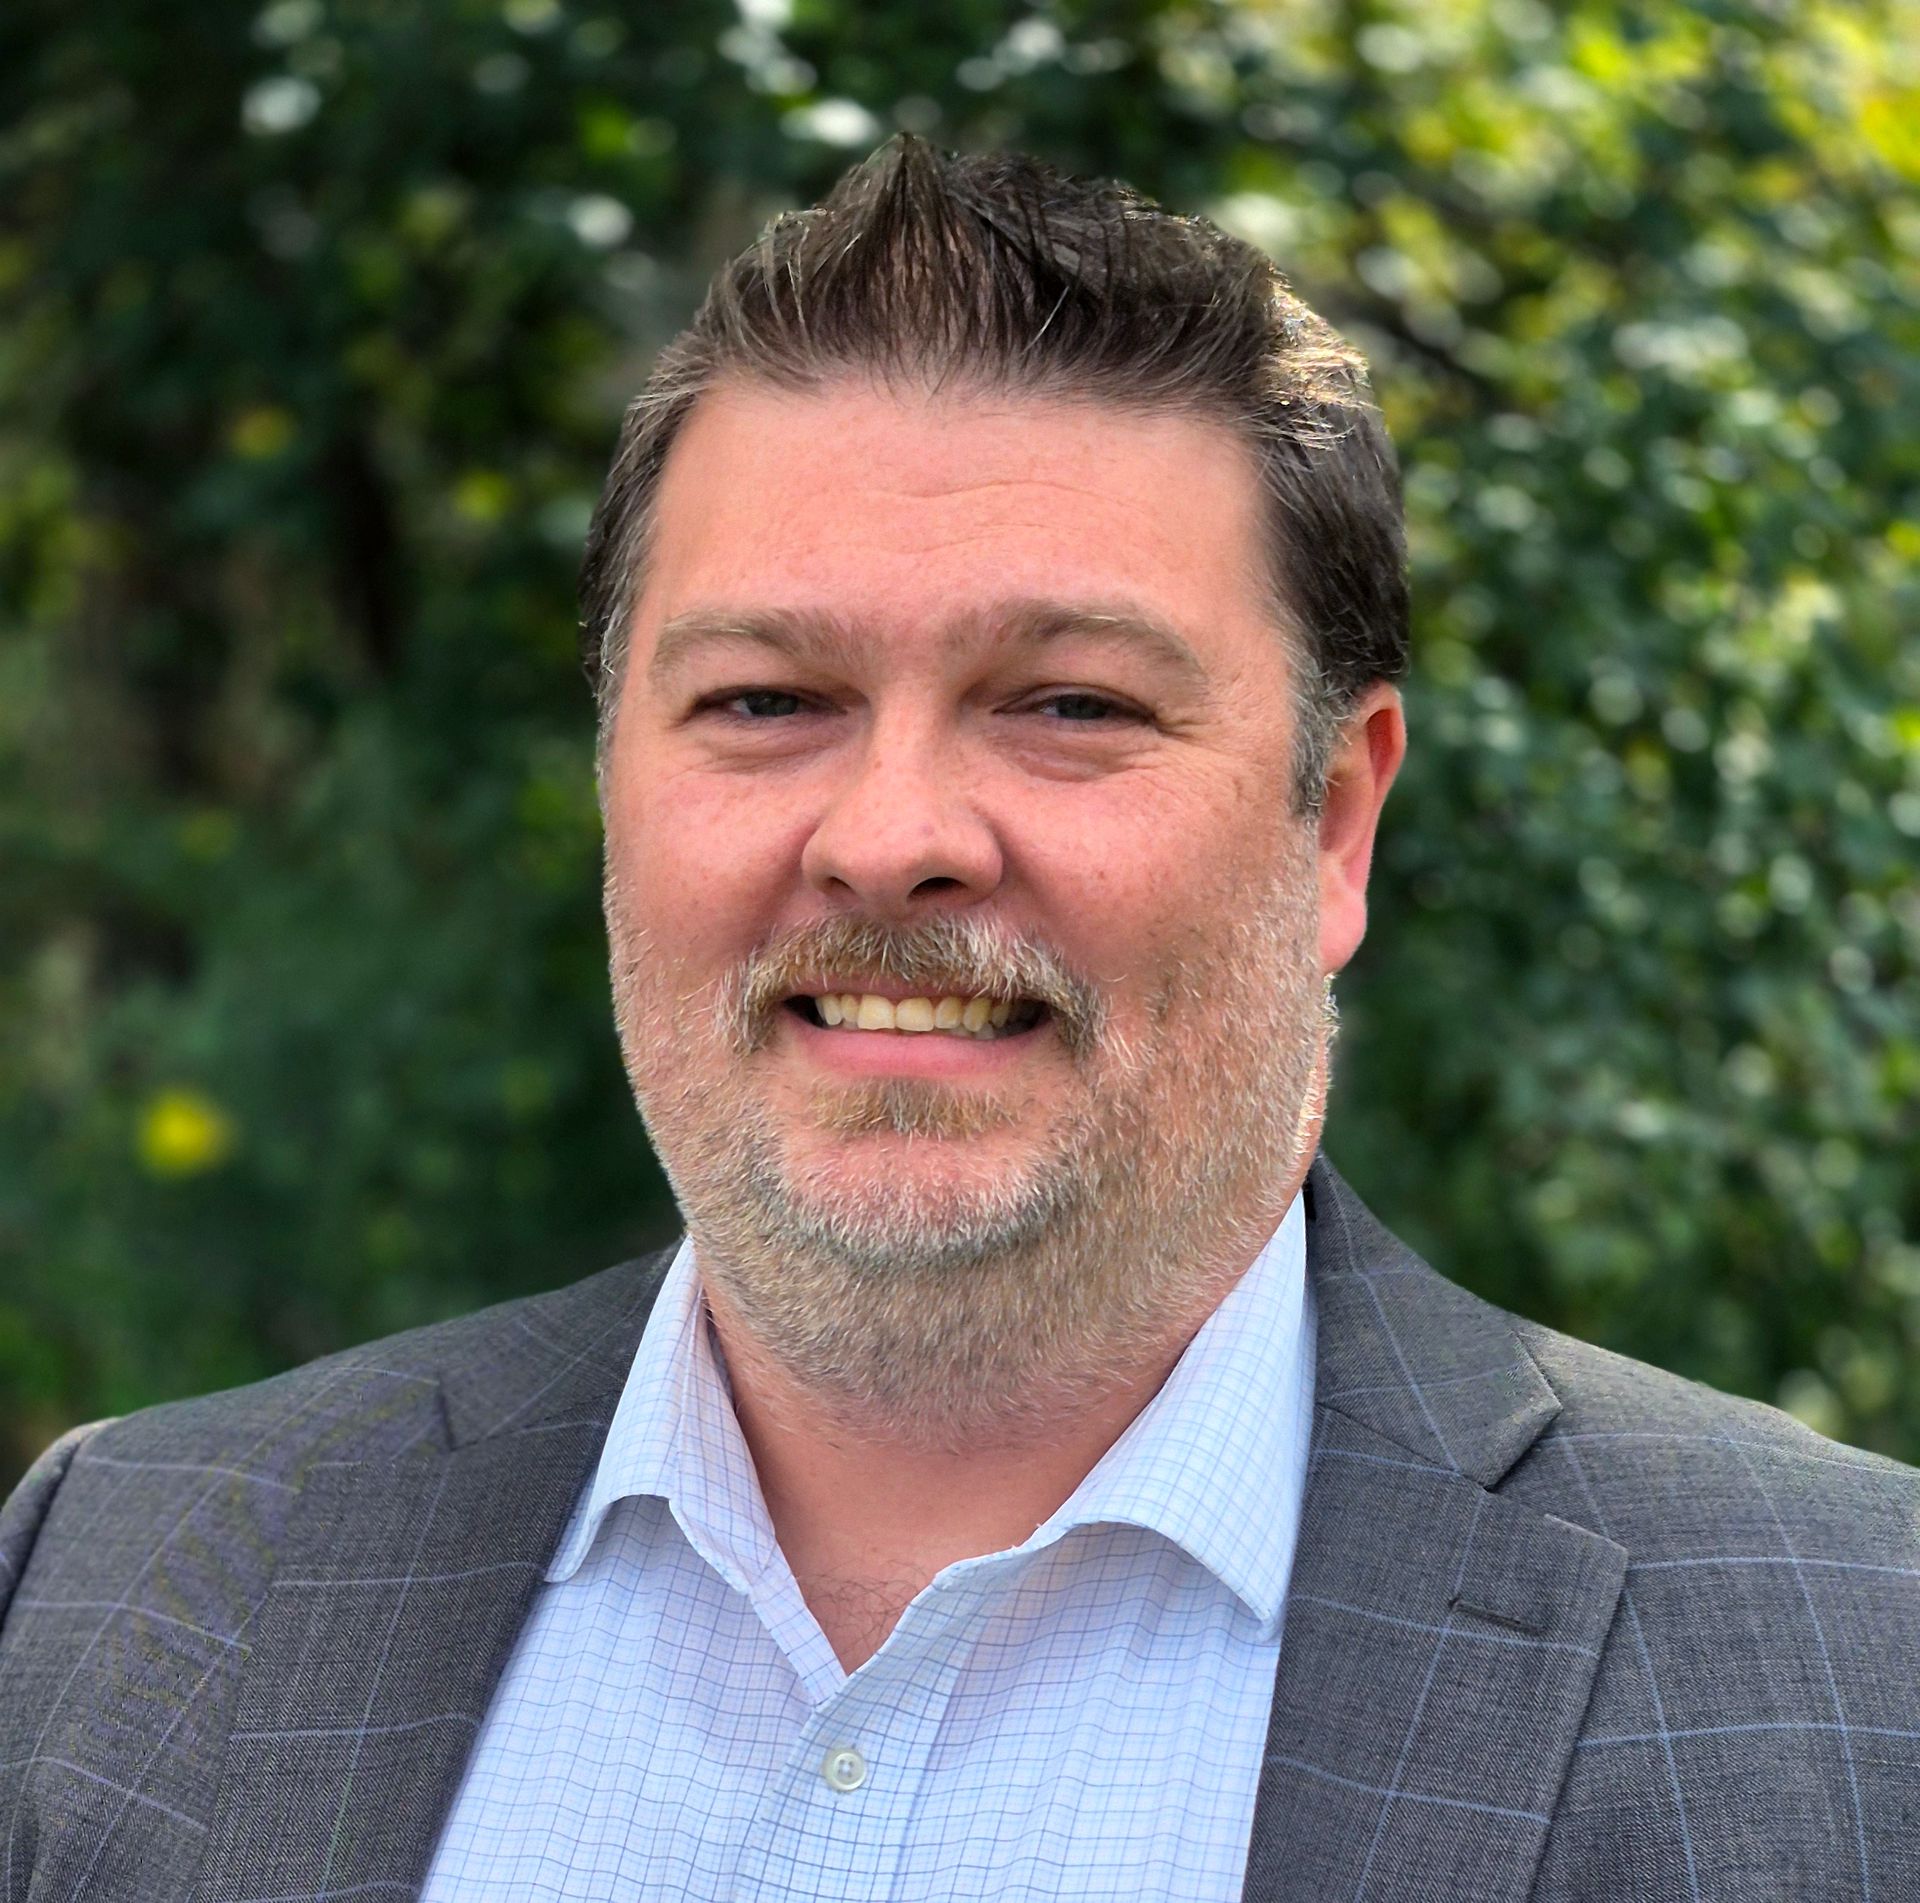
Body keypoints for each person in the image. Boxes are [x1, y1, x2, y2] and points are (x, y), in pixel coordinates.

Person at [1, 137, 1914, 1903]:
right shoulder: (111, 1596)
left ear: (1334, 823)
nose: (891, 837)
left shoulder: (1854, 1680)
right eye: (765, 702)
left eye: (1071, 704)